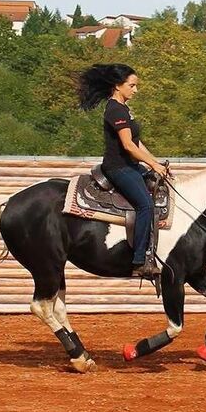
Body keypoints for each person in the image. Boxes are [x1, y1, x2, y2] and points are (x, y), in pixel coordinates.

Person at [78, 63, 168, 277]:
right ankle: (139, 261)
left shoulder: (124, 109)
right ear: (118, 86)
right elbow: (127, 145)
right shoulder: (115, 109)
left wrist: (155, 163)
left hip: (130, 165)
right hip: (118, 168)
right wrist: (153, 165)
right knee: (145, 205)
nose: (135, 90)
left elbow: (137, 143)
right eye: (132, 85)